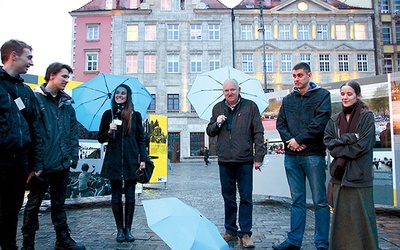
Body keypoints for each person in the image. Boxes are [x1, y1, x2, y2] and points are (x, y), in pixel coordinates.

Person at [21, 62, 85, 250]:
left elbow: (73, 134)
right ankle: (28, 244)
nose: (67, 80)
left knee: (59, 203)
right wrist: (35, 163)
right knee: (33, 205)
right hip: (41, 165)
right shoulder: (35, 99)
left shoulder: (67, 106)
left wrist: (73, 157)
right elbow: (32, 134)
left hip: (62, 163)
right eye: (64, 76)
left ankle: (62, 239)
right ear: (51, 75)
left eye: (68, 77)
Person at [275, 62, 331, 250]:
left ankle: (322, 242)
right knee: (297, 200)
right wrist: (291, 141)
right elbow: (280, 124)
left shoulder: (322, 96)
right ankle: (293, 241)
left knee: (320, 201)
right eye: (294, 76)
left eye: (300, 75)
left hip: (313, 155)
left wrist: (298, 139)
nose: (297, 79)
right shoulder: (289, 99)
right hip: (292, 157)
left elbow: (320, 122)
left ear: (309, 75)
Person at [206, 78, 265, 248]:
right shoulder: (218, 108)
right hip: (224, 160)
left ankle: (245, 233)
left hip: (244, 159)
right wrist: (217, 123)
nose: (229, 93)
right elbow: (210, 131)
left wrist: (258, 156)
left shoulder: (250, 106)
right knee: (228, 197)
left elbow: (258, 132)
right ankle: (230, 230)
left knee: (246, 197)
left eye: (232, 89)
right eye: (226, 91)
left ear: (239, 89)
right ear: (223, 92)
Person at [324, 81, 379, 249]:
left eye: (349, 94)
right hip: (340, 176)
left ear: (358, 95)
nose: (345, 97)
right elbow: (330, 144)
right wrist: (350, 138)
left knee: (362, 219)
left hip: (359, 176)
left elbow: (362, 146)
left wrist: (340, 146)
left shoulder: (366, 117)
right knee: (342, 221)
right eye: (343, 94)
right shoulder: (334, 120)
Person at [0, 39, 44, 250]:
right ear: (13, 56)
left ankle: (9, 246)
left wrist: (35, 162)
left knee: (12, 208)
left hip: (20, 159)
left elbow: (35, 127)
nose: (31, 63)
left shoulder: (26, 91)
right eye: (29, 57)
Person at [97, 83, 148, 243]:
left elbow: (141, 139)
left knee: (131, 197)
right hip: (114, 159)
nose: (119, 95)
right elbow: (100, 137)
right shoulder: (108, 115)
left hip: (131, 159)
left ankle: (128, 229)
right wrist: (109, 131)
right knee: (116, 196)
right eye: (117, 93)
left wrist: (143, 159)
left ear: (128, 96)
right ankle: (120, 230)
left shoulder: (135, 115)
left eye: (123, 93)